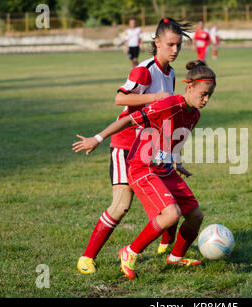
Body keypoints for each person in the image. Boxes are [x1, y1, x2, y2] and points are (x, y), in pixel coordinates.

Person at [72, 60, 216, 279]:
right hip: (143, 167)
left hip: (164, 169)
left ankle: (175, 258)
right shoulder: (168, 104)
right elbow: (130, 119)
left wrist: (178, 163)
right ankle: (129, 251)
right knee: (170, 214)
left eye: (209, 96)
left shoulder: (194, 114)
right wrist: (98, 138)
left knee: (196, 216)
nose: (205, 100)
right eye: (203, 94)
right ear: (190, 87)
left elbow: (174, 141)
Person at [76, 18, 192, 275]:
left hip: (149, 146)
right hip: (125, 144)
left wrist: (173, 154)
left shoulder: (170, 73)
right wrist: (154, 97)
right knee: (121, 205)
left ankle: (165, 244)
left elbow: (164, 114)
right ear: (157, 43)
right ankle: (87, 257)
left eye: (178, 46)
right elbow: (120, 98)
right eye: (170, 45)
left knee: (169, 198)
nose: (174, 50)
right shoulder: (144, 70)